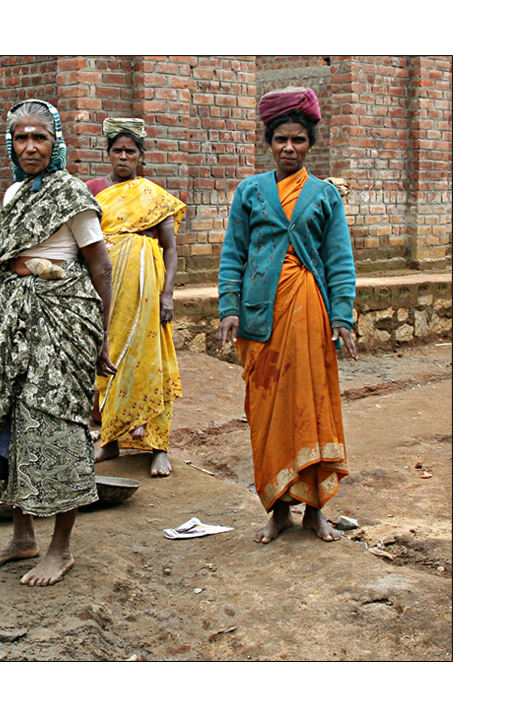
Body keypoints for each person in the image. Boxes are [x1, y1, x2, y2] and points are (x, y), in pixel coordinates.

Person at [0, 99, 116, 586]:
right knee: (9, 423)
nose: (30, 146)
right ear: (10, 143)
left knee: (56, 426)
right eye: (21, 138)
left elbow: (100, 267)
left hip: (61, 322)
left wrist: (100, 337)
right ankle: (22, 536)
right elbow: (4, 260)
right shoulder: (14, 193)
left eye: (40, 138)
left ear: (56, 144)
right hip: (12, 322)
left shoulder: (71, 194)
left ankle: (62, 547)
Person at [215, 87, 358, 544]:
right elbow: (234, 254)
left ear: (310, 143)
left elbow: (339, 260)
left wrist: (342, 316)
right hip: (261, 318)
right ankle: (277, 509)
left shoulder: (324, 195)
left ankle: (315, 511)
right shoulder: (250, 191)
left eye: (298, 140)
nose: (289, 148)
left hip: (310, 316)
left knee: (313, 407)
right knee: (268, 411)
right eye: (281, 140)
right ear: (269, 143)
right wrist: (229, 308)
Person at [86, 118, 187, 477]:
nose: (124, 156)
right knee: (108, 356)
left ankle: (158, 446)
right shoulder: (94, 194)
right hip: (108, 289)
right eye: (118, 150)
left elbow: (171, 249)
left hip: (147, 290)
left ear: (141, 156)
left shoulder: (155, 195)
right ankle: (111, 440)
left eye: (131, 151)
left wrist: (168, 294)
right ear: (108, 154)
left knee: (151, 359)